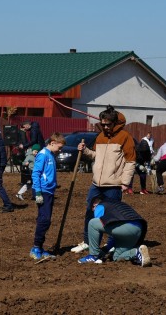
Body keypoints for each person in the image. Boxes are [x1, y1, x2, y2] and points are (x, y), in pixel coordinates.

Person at [71, 106, 136, 253]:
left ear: (115, 123)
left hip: (113, 185)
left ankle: (113, 243)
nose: (105, 127)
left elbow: (130, 161)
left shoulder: (125, 137)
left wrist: (125, 182)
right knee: (90, 212)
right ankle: (88, 242)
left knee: (112, 215)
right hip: (96, 184)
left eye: (108, 124)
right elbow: (95, 156)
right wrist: (85, 150)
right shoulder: (100, 136)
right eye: (103, 124)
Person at [77, 197, 150, 267]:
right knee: (116, 257)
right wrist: (106, 249)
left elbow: (98, 225)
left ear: (94, 205)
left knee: (92, 223)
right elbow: (115, 231)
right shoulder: (116, 205)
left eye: (93, 210)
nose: (94, 212)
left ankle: (93, 256)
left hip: (127, 227)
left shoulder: (100, 206)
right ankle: (136, 252)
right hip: (138, 230)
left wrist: (97, 252)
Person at [30, 133, 64, 260]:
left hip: (49, 191)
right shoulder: (43, 155)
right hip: (42, 191)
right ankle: (35, 247)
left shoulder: (50, 155)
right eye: (59, 147)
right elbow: (36, 174)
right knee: (44, 220)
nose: (60, 150)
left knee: (44, 219)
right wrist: (38, 192)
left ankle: (39, 247)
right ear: (52, 142)